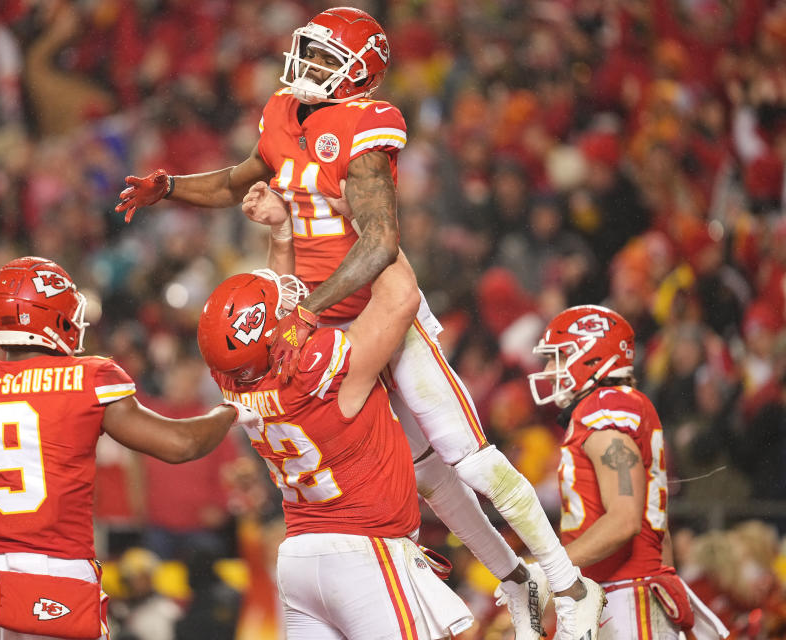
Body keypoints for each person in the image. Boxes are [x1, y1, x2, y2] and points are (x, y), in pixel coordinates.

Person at [116, 7, 603, 638]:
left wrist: (303, 314)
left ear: (359, 73)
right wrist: (171, 186)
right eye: (308, 52)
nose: (308, 66)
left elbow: (378, 244)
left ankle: (569, 584)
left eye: (324, 57)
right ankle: (517, 581)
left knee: (469, 457)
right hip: (318, 332)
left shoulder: (365, 127)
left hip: (372, 312)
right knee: (423, 472)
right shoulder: (281, 113)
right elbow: (237, 180)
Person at [0, 256, 261, 640]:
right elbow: (181, 444)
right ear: (48, 315)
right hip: (65, 580)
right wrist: (231, 411)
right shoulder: (88, 379)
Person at [196, 254, 474, 639]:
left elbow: (271, 340)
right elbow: (401, 296)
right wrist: (369, 220)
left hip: (300, 559)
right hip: (363, 554)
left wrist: (280, 233)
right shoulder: (316, 364)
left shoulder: (234, 381)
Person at [528, 304, 730, 640]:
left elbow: (623, 520)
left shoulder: (604, 407)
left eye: (559, 356)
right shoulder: (609, 405)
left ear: (592, 357)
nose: (549, 369)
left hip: (624, 600)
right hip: (623, 595)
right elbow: (659, 536)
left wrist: (547, 570)